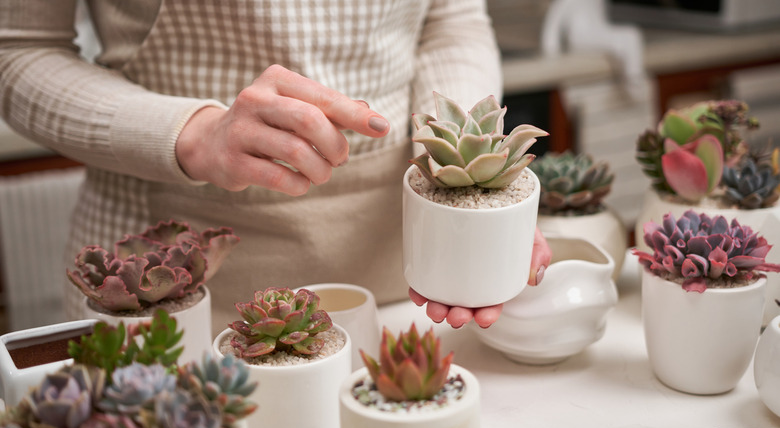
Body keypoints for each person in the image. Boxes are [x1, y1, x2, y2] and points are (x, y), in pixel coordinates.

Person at [0, 0, 550, 334]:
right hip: (166, 277)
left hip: (406, 276)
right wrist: (195, 135)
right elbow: (19, 51)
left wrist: (461, 178)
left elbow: (452, 21)